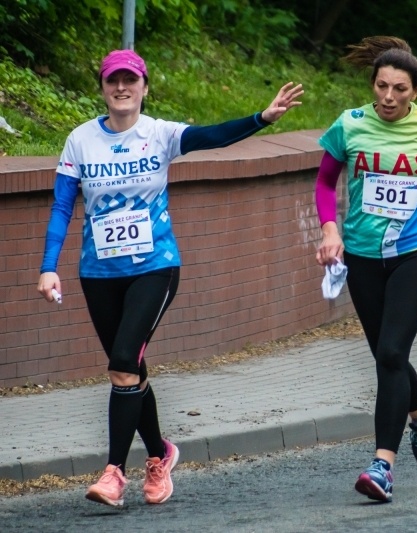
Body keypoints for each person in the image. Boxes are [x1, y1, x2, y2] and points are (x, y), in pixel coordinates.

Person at [36, 49, 303, 507]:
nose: (122, 88)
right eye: (113, 81)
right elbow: (62, 206)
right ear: (102, 88)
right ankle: (160, 454)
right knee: (130, 371)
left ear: (144, 87)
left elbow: (212, 135)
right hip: (98, 272)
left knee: (123, 361)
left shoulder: (160, 134)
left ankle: (114, 474)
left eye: (130, 80)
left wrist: (262, 118)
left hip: (155, 268)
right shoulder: (80, 140)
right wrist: (48, 266)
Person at [314, 36, 417, 502]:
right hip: (363, 253)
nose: (388, 97)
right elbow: (325, 182)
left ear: (415, 92)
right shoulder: (350, 124)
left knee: (390, 351)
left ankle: (382, 465)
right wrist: (330, 229)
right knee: (387, 355)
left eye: (399, 89)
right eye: (382, 86)